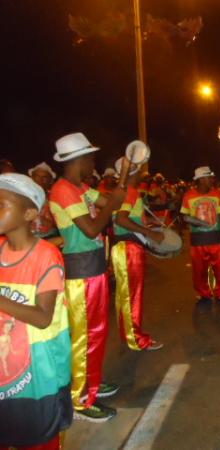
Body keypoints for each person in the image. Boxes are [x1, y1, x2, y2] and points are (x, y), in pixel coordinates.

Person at [49, 132, 129, 422]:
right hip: (80, 275)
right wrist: (112, 202)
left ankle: (90, 382)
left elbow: (113, 204)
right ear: (78, 159)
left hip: (92, 269)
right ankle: (81, 400)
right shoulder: (63, 190)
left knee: (95, 335)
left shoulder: (80, 187)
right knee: (84, 337)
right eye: (90, 157)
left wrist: (123, 184)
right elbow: (92, 229)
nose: (93, 162)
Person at [0, 174, 72, 449]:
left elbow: (43, 317)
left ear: (29, 213)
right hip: (7, 369)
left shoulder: (45, 256)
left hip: (38, 371)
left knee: (37, 438)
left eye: (2, 204)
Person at [111, 157, 164, 351]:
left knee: (126, 295)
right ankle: (136, 338)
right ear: (132, 172)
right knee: (133, 295)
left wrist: (147, 226)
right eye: (139, 169)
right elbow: (121, 220)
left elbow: (125, 218)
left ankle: (128, 334)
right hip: (129, 249)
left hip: (124, 247)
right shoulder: (130, 191)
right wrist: (149, 233)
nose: (142, 172)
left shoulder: (123, 191)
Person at [180, 166, 220, 305]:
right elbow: (184, 216)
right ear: (201, 179)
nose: (212, 180)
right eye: (209, 178)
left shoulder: (217, 195)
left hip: (215, 239)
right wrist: (195, 221)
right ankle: (204, 294)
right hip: (198, 241)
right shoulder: (189, 195)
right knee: (199, 270)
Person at [28, 162, 61, 244]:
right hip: (27, 239)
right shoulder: (22, 196)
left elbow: (60, 221)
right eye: (37, 177)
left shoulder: (55, 197)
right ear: (31, 178)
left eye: (44, 177)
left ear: (50, 181)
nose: (40, 180)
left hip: (51, 237)